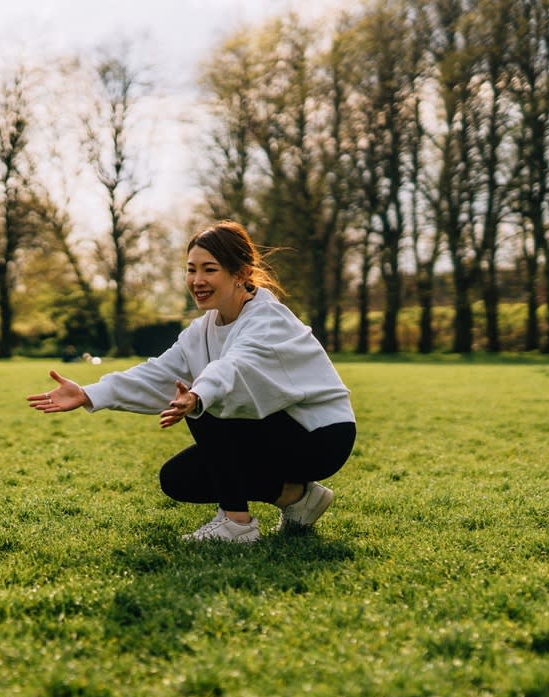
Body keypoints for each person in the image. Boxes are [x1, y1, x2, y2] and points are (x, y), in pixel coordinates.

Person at [26, 221, 356, 544]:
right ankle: (298, 498)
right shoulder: (203, 329)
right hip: (276, 432)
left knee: (209, 407)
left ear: (240, 273)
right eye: (191, 269)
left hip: (320, 437)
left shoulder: (268, 320)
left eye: (209, 270)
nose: (197, 280)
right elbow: (159, 373)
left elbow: (233, 368)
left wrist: (198, 396)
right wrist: (89, 393)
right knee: (180, 479)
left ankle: (235, 524)